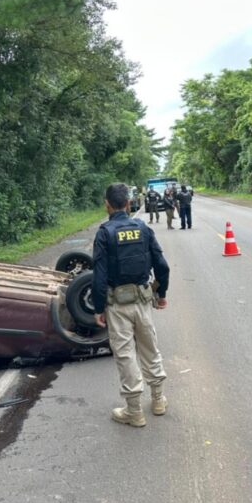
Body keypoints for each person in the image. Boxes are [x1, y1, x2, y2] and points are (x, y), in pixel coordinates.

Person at [92, 183, 170, 427]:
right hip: (143, 301)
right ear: (127, 204)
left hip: (117, 306)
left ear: (107, 204)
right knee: (150, 348)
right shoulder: (143, 229)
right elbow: (162, 266)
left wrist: (97, 308)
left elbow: (99, 276)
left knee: (125, 355)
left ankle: (134, 412)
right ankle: (158, 401)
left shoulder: (105, 234)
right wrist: (162, 294)